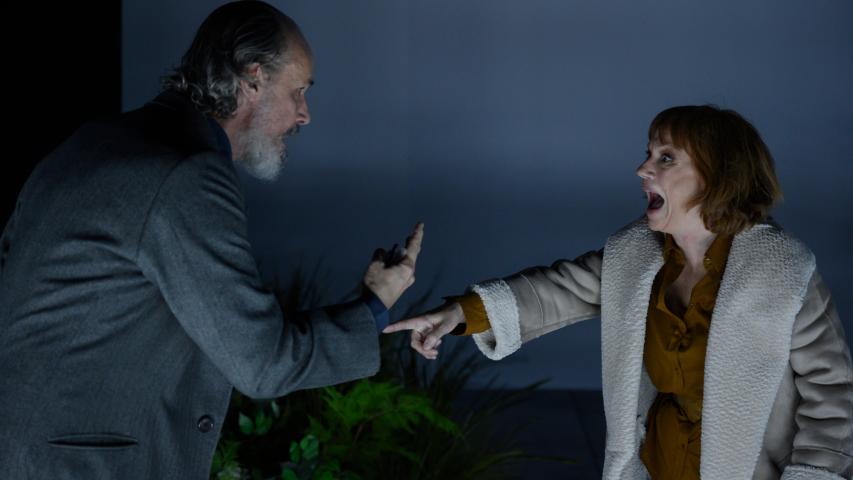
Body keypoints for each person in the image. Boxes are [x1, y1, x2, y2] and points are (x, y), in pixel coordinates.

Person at [0, 2, 422, 478]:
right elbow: (262, 363)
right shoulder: (187, 174)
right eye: (299, 91)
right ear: (253, 78)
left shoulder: (92, 140)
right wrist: (374, 305)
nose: (304, 115)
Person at [385, 105, 853, 479]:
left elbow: (832, 394)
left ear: (717, 176)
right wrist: (456, 314)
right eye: (649, 154)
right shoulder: (637, 256)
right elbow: (557, 290)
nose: (641, 169)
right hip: (658, 465)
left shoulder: (782, 271)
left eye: (665, 158)